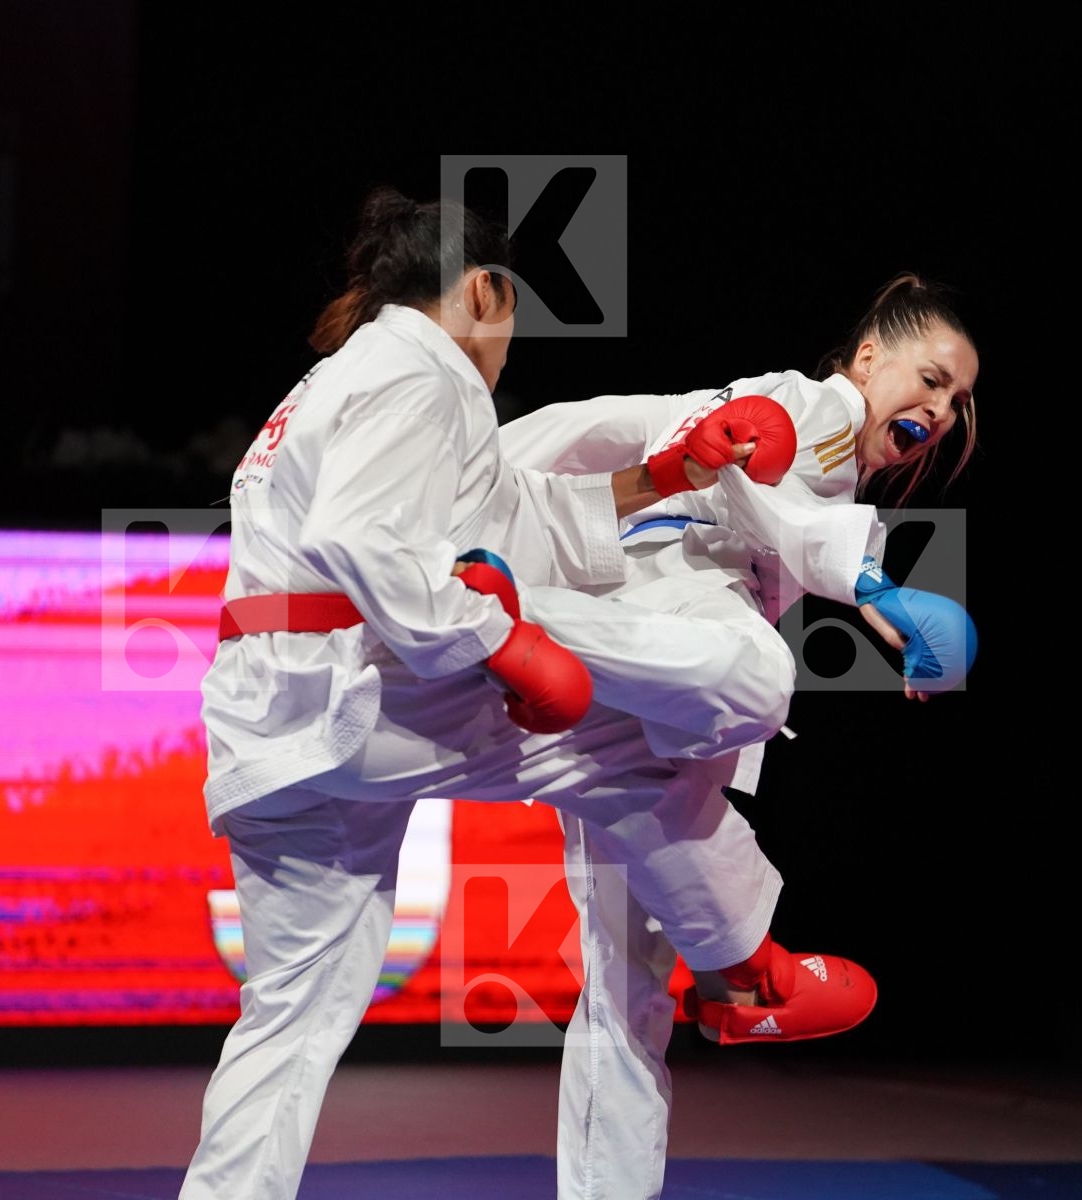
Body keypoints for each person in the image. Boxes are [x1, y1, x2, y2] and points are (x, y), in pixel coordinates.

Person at [181, 188, 913, 1200]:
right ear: (483, 289)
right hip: (349, 696)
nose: (510, 339)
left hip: (269, 738)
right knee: (644, 746)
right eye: (513, 308)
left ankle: (740, 962)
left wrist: (660, 474)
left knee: (288, 1024)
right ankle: (743, 963)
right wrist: (501, 640)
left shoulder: (335, 381)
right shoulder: (422, 372)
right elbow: (364, 541)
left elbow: (510, 512)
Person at [497, 273, 980, 1200]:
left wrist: (491, 467)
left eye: (958, 399)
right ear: (869, 357)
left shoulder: (824, 455)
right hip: (663, 615)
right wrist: (873, 593)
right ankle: (745, 965)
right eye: (931, 378)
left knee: (623, 985)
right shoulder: (812, 407)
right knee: (756, 681)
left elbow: (613, 419)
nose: (943, 408)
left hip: (643, 659)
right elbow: (761, 493)